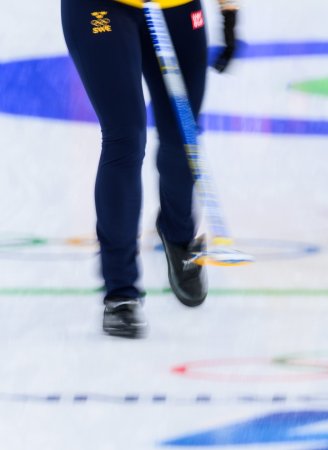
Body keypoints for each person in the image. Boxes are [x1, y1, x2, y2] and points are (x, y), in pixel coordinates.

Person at [61, 0, 239, 338]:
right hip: (102, 8)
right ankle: (120, 292)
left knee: (182, 133)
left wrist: (229, 12)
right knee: (125, 137)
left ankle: (179, 235)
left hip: (178, 8)